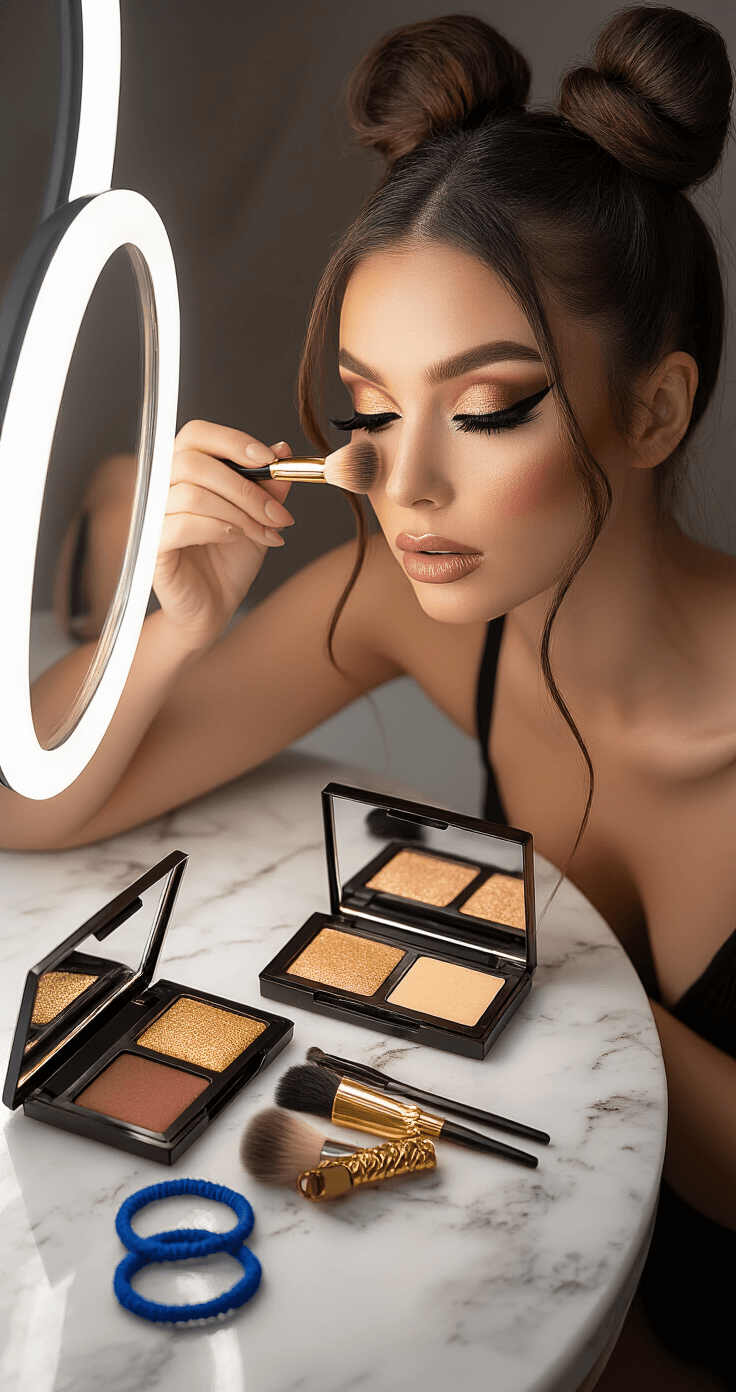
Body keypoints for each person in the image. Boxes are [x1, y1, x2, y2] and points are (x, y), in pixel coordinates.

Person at [3, 9, 735, 1387]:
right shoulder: (406, 605)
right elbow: (23, 804)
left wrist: (547, 978)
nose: (403, 491)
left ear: (653, 410)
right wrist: (168, 633)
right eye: (370, 412)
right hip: (539, 1286)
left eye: (490, 408)